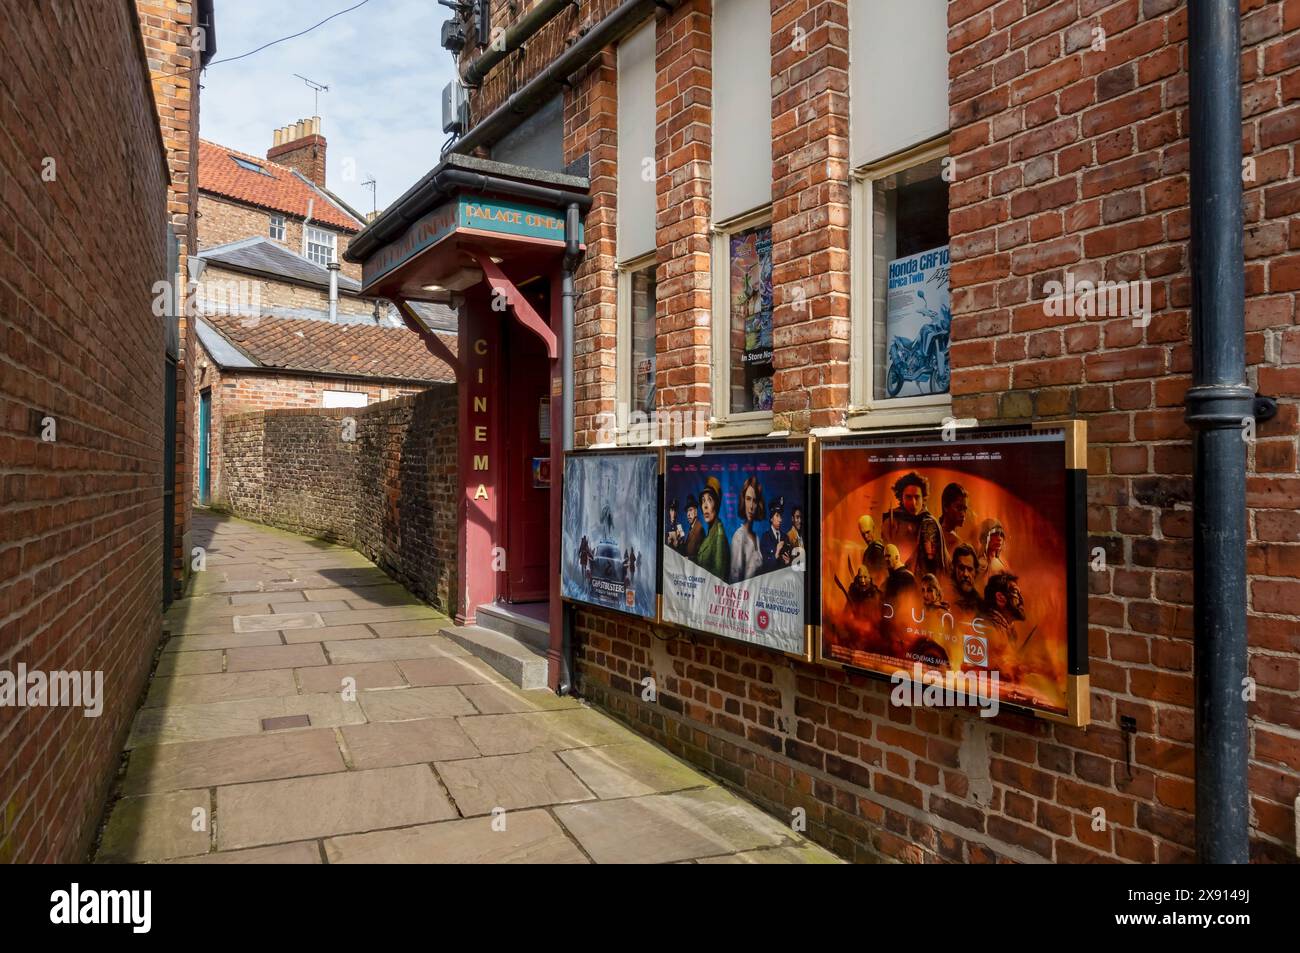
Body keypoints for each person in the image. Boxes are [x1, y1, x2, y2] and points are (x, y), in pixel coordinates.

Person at [881, 471, 941, 567]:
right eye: (908, 497)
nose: (913, 503)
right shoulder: (891, 521)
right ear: (901, 497)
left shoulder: (929, 521)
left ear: (923, 498)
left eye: (917, 497)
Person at [729, 475, 765, 582]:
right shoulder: (739, 537)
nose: (751, 507)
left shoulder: (757, 537)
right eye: (748, 499)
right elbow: (734, 579)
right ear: (743, 500)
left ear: (758, 504)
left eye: (754, 501)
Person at [695, 477, 730, 581]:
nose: (705, 506)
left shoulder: (719, 534)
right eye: (703, 501)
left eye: (709, 500)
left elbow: (719, 578)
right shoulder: (710, 532)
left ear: (717, 504)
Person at [949, 543, 982, 618]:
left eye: (970, 569)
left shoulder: (981, 606)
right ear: (954, 569)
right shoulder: (943, 596)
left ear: (975, 572)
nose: (966, 574)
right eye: (961, 568)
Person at [939, 482, 969, 554]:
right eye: (959, 508)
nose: (963, 514)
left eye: (965, 509)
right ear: (946, 506)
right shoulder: (935, 536)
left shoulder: (956, 539)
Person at [760, 496, 789, 571]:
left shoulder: (785, 537)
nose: (780, 520)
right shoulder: (765, 537)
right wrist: (776, 553)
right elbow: (764, 564)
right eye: (777, 516)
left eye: (781, 516)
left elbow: (788, 564)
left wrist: (788, 562)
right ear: (771, 518)